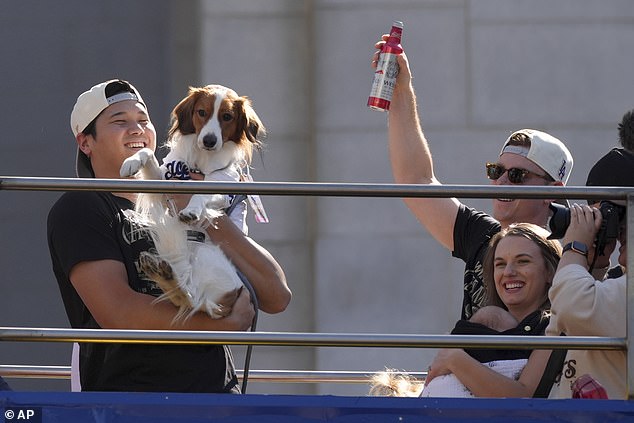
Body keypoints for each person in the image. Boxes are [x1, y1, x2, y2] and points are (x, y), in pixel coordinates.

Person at [47, 79, 291, 393]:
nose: (137, 129)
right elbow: (119, 313)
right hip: (132, 400)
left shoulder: (186, 200)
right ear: (86, 142)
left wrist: (205, 211)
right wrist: (220, 326)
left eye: (143, 121)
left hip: (217, 397)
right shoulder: (82, 206)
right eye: (120, 121)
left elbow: (276, 296)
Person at [371, 36, 573, 320]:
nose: (502, 181)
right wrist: (402, 90)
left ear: (553, 191)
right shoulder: (483, 234)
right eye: (496, 171)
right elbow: (416, 180)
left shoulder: (570, 255)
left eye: (517, 175)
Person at [371, 223, 562, 398]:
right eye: (500, 264)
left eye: (523, 261)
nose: (508, 272)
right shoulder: (481, 323)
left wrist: (454, 357)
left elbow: (522, 398)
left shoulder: (554, 326)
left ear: (550, 271)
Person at [547, 148, 633, 399]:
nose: (617, 230)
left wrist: (575, 248)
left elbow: (572, 307)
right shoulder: (616, 285)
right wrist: (594, 265)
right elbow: (561, 327)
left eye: (618, 214)